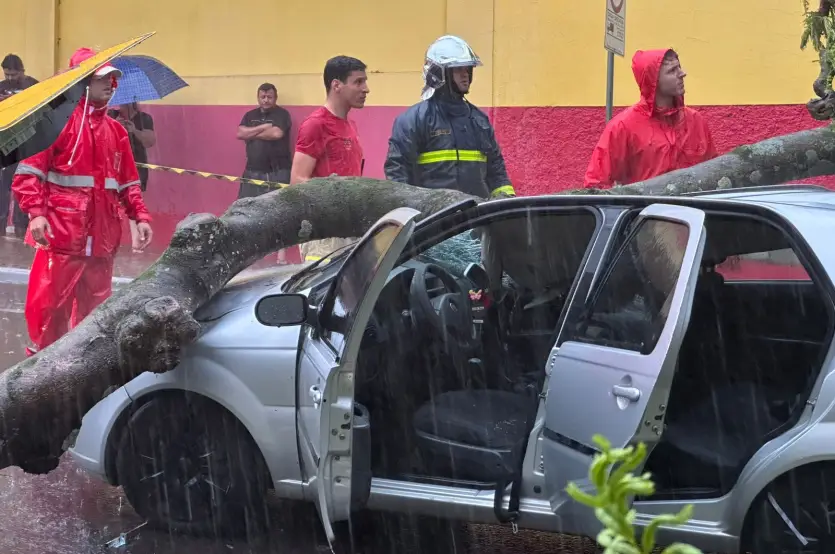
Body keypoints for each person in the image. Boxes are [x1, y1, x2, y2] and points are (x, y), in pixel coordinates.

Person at [12, 47, 153, 356]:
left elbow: (128, 182)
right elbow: (28, 173)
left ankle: (85, 368)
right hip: (61, 237)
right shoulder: (54, 125)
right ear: (81, 82)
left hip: (102, 239)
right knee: (50, 308)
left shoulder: (116, 132)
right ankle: (42, 371)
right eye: (102, 78)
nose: (110, 84)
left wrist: (139, 217)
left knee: (96, 315)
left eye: (113, 78)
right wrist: (36, 214)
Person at [384, 35, 515, 199]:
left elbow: (496, 169)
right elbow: (397, 172)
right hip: (433, 218)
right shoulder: (414, 120)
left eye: (468, 69)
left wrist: (505, 199)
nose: (465, 74)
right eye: (458, 69)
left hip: (476, 215)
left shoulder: (480, 121)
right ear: (439, 73)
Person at [583, 49, 718, 189]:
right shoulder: (623, 126)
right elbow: (596, 183)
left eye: (679, 67)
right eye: (672, 71)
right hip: (645, 210)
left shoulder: (696, 121)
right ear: (653, 80)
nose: (682, 74)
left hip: (694, 209)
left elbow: (715, 173)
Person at [290, 55, 369, 263]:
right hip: (324, 236)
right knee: (321, 294)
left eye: (365, 81)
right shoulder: (315, 124)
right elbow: (297, 182)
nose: (366, 89)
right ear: (336, 85)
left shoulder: (351, 126)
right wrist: (336, 191)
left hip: (351, 231)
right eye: (358, 82)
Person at [0, 54, 40, 240]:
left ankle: (21, 228)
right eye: (6, 74)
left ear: (22, 71)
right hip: (6, 145)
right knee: (4, 188)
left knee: (21, 187)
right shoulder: (1, 87)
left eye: (13, 74)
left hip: (28, 144)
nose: (9, 78)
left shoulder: (35, 86)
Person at [109, 102, 156, 252]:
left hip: (137, 165)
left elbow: (150, 141)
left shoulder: (144, 118)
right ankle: (110, 241)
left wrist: (134, 130)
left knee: (134, 200)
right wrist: (115, 126)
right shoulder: (111, 116)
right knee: (111, 202)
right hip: (113, 165)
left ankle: (138, 242)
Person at [237, 83, 292, 198]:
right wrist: (264, 127)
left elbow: (276, 134)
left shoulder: (282, 114)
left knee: (277, 209)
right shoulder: (250, 115)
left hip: (278, 172)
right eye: (263, 97)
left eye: (269, 97)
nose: (266, 100)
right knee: (247, 208)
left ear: (275, 98)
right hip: (252, 171)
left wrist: (251, 133)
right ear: (258, 98)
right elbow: (240, 133)